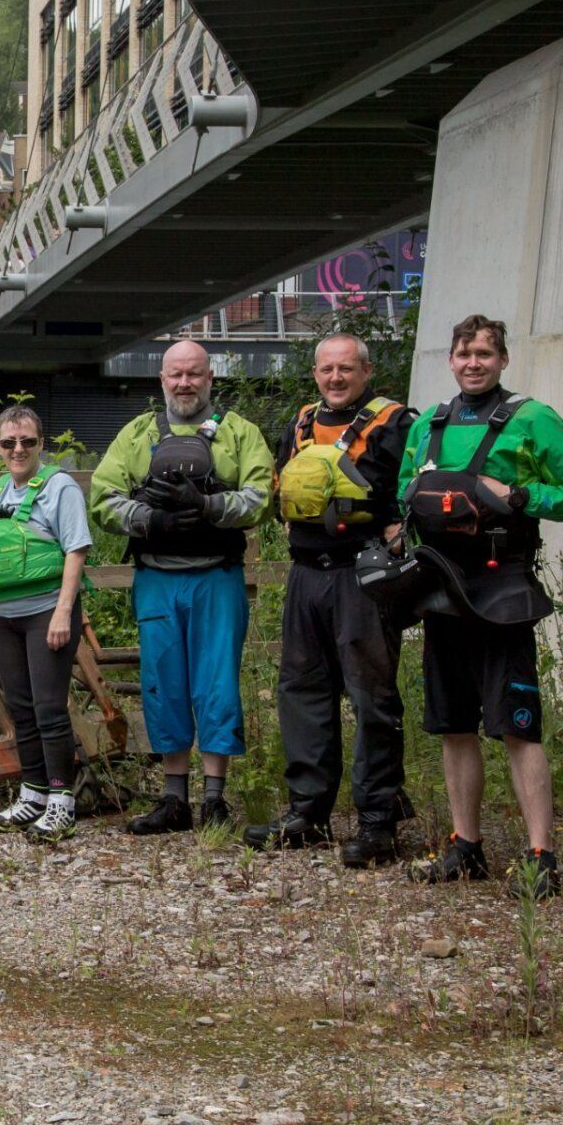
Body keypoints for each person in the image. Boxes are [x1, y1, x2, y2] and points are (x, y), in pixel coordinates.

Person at [398, 314, 563, 899]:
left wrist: (520, 495)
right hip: (440, 588)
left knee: (517, 727)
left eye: (485, 353)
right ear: (452, 360)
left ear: (503, 360)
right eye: (464, 354)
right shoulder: (429, 422)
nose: (473, 363)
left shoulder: (532, 418)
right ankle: (467, 847)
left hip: (502, 588)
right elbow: (405, 491)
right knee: (452, 725)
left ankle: (542, 856)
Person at [245, 334, 417, 865]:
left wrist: (399, 533)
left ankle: (377, 823)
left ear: (367, 371)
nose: (335, 378)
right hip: (305, 573)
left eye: (346, 369)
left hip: (361, 574)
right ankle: (308, 813)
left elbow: (411, 489)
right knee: (302, 690)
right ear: (315, 373)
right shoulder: (300, 422)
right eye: (326, 369)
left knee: (372, 699)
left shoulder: (395, 423)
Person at [91, 340, 272, 833]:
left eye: (194, 374)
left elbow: (260, 497)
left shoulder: (239, 433)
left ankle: (215, 797)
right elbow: (102, 498)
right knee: (163, 682)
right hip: (158, 579)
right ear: (162, 380)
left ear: (210, 377)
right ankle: (174, 799)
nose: (184, 383)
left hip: (216, 576)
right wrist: (151, 519)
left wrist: (211, 508)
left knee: (216, 683)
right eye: (175, 375)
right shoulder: (137, 434)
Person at [0, 406, 93, 840]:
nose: (18, 450)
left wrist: (63, 611)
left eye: (27, 442)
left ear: (42, 443)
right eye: (8, 443)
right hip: (5, 615)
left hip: (46, 612)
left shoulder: (60, 488)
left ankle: (62, 800)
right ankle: (33, 793)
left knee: (48, 709)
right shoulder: (0, 489)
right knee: (20, 708)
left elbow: (76, 550)